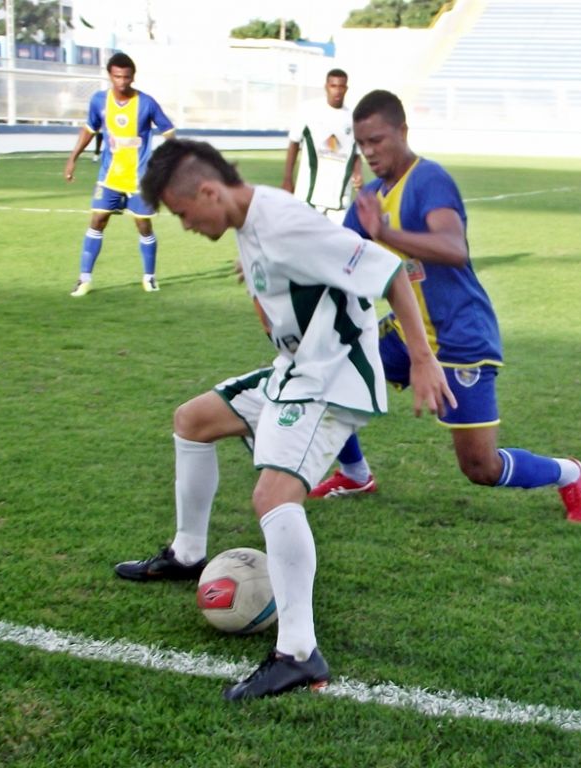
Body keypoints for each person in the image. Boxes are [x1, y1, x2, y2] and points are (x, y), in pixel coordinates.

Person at [114, 139, 454, 701]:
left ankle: (299, 654)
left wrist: (421, 357)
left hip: (332, 378)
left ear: (207, 191)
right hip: (297, 369)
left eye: (182, 214)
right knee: (193, 421)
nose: (186, 225)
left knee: (273, 498)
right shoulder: (251, 223)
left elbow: (389, 268)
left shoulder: (284, 223)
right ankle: (187, 553)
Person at [308, 90, 581, 524]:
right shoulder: (370, 196)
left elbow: (452, 247)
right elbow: (332, 249)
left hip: (460, 335)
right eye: (361, 143)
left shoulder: (429, 181)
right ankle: (355, 474)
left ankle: (569, 474)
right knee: (327, 370)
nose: (369, 152)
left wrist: (385, 232)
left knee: (481, 467)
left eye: (378, 141)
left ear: (403, 132)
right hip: (406, 333)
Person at [64, 52, 176, 297]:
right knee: (97, 221)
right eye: (117, 77)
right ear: (109, 76)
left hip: (140, 177)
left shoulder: (146, 103)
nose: (122, 82)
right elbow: (89, 129)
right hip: (110, 177)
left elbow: (168, 130)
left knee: (143, 225)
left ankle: (149, 277)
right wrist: (73, 158)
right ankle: (84, 279)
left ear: (133, 77)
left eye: (126, 77)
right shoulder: (98, 101)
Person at [281, 68, 362, 224]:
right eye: (333, 86)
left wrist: (358, 174)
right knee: (303, 244)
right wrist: (287, 178)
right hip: (308, 197)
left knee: (338, 246)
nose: (337, 90)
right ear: (326, 86)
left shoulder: (354, 118)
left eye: (341, 86)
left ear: (346, 88)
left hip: (339, 200)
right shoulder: (308, 110)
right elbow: (294, 143)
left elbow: (356, 153)